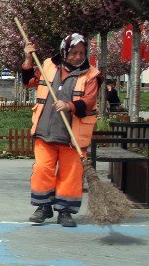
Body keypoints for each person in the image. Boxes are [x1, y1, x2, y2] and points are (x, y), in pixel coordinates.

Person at [21, 33, 101, 227]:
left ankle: (65, 211)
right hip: (45, 131)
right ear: (64, 51)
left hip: (73, 136)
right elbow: (28, 81)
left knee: (71, 174)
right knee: (42, 170)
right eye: (73, 52)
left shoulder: (92, 75)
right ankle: (43, 207)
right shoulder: (47, 65)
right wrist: (28, 59)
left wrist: (70, 106)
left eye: (82, 53)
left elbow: (89, 102)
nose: (78, 57)